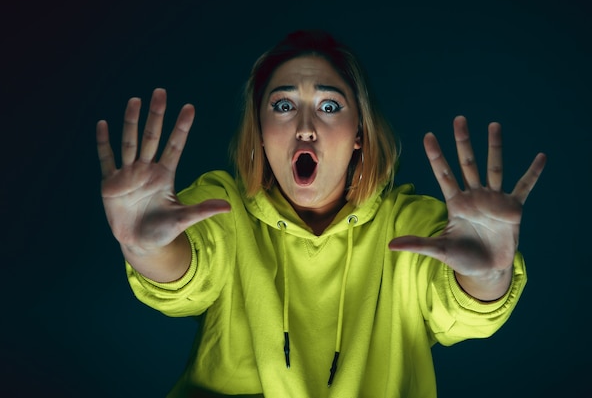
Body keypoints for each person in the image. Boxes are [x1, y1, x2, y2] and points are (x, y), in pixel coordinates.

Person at [96, 30, 546, 398]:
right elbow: (185, 272)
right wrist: (144, 247)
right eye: (283, 106)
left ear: (358, 135)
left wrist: (488, 275)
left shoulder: (408, 227)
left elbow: (462, 307)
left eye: (329, 107)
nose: (305, 127)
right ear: (261, 131)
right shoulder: (223, 206)